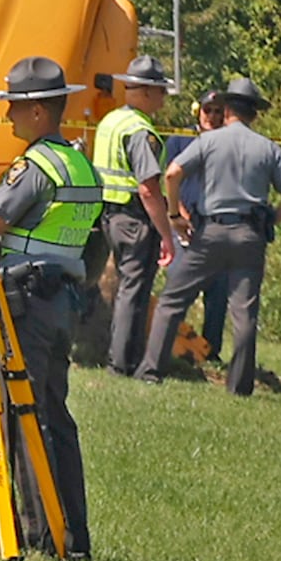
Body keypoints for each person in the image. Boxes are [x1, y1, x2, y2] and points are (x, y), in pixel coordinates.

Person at [0, 56, 103, 560]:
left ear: (36, 112)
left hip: (27, 302)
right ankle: (72, 534)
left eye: (13, 107)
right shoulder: (80, 163)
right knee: (55, 414)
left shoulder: (34, 166)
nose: (8, 116)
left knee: (23, 413)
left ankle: (41, 536)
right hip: (63, 301)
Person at [137, 77, 281, 395]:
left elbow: (172, 173)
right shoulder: (268, 148)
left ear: (226, 111)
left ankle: (151, 370)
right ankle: (239, 387)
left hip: (210, 232)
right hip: (250, 236)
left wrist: (174, 216)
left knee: (172, 300)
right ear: (255, 114)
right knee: (244, 311)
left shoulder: (209, 141)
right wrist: (271, 222)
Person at [93, 55, 175, 379]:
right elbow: (147, 188)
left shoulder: (110, 122)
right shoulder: (141, 131)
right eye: (160, 90)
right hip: (134, 219)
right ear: (145, 91)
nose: (164, 97)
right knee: (133, 291)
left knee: (124, 288)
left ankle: (119, 357)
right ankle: (123, 364)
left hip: (110, 217)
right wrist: (166, 233)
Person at [163, 90, 229, 361]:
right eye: (207, 110)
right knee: (178, 287)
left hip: (217, 226)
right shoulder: (180, 139)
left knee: (218, 290)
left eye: (217, 111)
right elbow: (167, 180)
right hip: (185, 227)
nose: (211, 117)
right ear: (197, 111)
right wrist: (178, 216)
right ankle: (168, 345)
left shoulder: (229, 143)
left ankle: (209, 352)